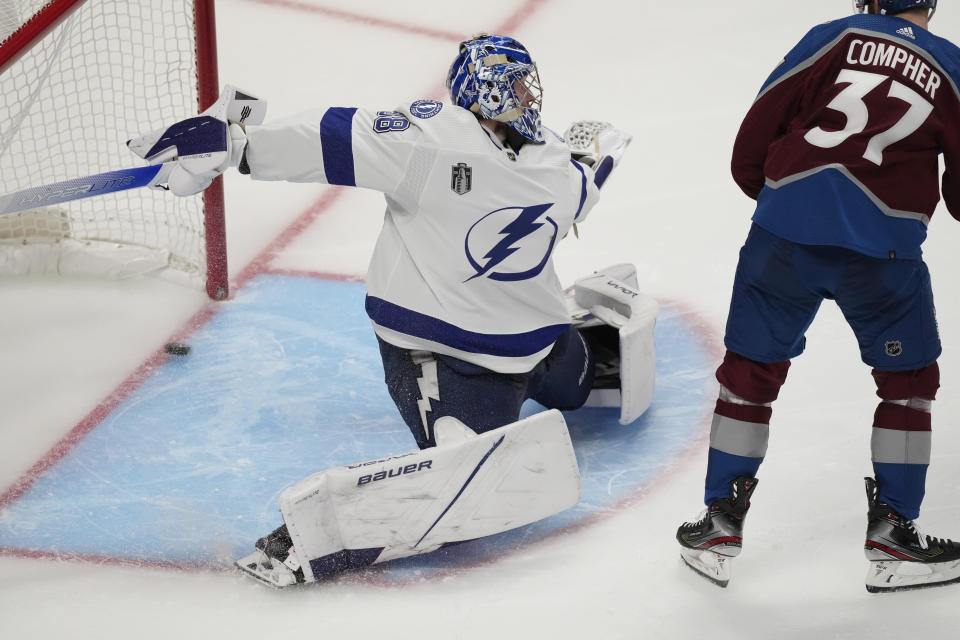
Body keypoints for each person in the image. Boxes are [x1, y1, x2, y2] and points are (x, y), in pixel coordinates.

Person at [128, 34, 657, 587]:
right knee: (470, 492)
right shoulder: (430, 142)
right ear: (482, 91)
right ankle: (317, 535)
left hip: (538, 338)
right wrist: (238, 143)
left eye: (528, 83)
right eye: (515, 83)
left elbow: (581, 184)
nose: (526, 94)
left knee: (574, 388)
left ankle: (558, 365)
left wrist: (598, 156)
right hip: (446, 357)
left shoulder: (551, 158)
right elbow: (333, 137)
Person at [676, 0, 960, 593]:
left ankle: (719, 524)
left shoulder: (833, 36)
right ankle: (893, 535)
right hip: (883, 253)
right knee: (908, 383)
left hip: (784, 235)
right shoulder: (953, 68)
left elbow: (753, 139)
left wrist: (784, 206)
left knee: (750, 372)